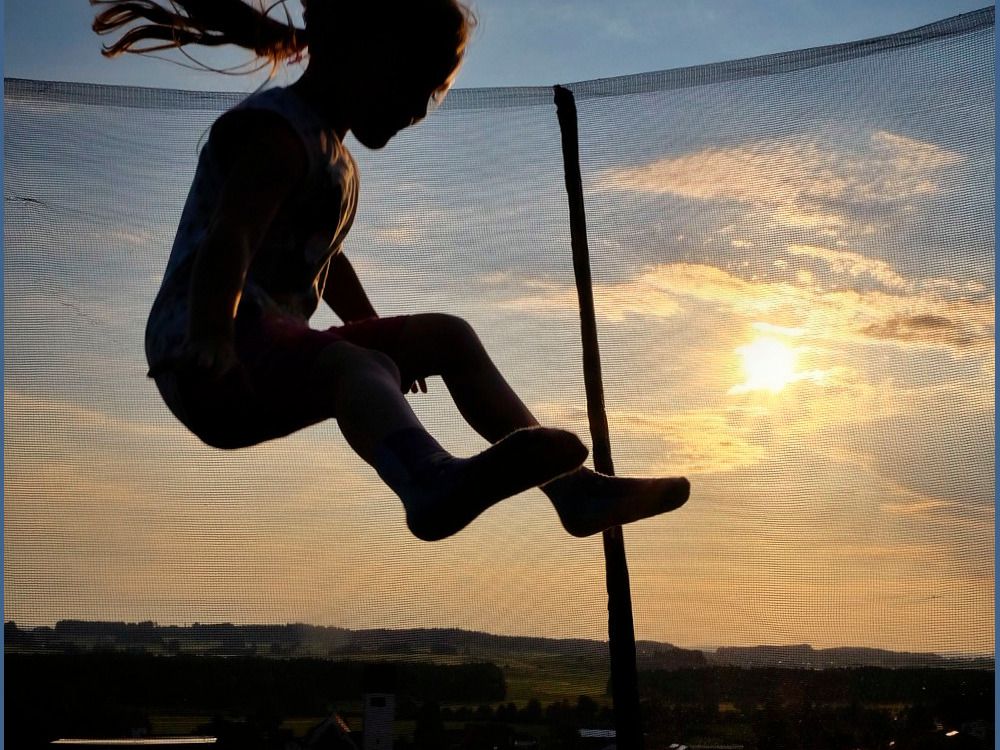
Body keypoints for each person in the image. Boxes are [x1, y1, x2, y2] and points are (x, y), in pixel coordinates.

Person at [93, 0, 690, 541]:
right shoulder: (278, 133)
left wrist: (372, 326)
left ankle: (575, 491)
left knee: (446, 337)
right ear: (366, 51)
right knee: (357, 364)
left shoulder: (330, 154)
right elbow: (231, 237)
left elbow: (320, 260)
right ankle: (427, 481)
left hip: (264, 343)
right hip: (207, 352)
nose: (418, 108)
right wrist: (210, 338)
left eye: (430, 93)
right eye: (415, 83)